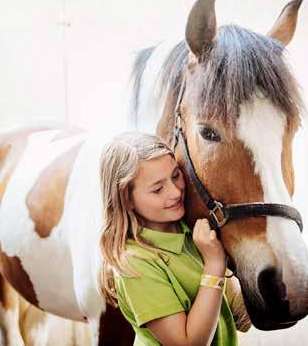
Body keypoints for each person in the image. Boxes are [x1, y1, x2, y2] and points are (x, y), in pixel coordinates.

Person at [98, 131, 250, 346]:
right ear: (126, 198)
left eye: (176, 175)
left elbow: (240, 320)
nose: (175, 192)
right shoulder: (135, 264)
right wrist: (215, 265)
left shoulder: (194, 231)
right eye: (158, 189)